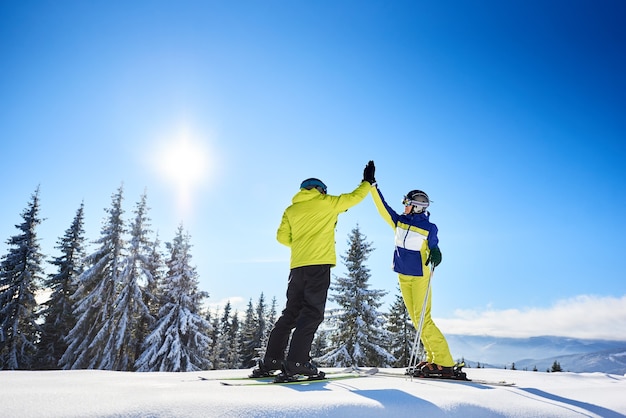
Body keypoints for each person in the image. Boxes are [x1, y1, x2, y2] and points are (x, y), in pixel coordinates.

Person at [251, 161, 376, 380]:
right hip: (318, 265)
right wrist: (367, 181)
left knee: (290, 313)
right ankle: (297, 363)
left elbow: (281, 237)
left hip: (297, 267)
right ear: (321, 190)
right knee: (311, 313)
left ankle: (271, 360)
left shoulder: (291, 209)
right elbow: (355, 197)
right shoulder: (327, 202)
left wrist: (301, 245)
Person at [370, 177, 458, 378]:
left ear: (416, 207)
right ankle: (432, 358)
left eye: (407, 204)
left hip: (420, 276)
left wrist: (436, 253)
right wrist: (373, 186)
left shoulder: (429, 227)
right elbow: (382, 207)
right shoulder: (399, 222)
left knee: (423, 319)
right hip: (403, 276)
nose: (404, 206)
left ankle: (444, 361)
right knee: (416, 319)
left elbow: (434, 246)